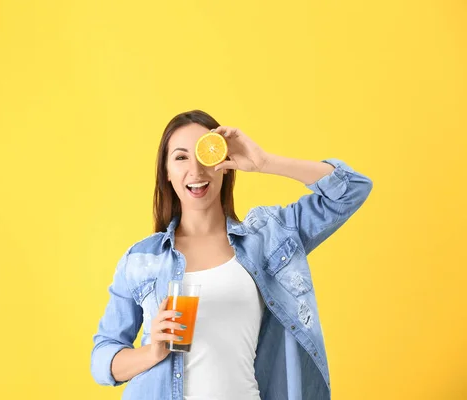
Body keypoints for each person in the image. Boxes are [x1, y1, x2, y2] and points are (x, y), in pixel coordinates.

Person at [91, 110, 373, 400]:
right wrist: (152, 352)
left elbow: (352, 189)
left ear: (224, 164)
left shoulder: (267, 239)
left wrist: (264, 162)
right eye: (181, 157)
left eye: (206, 155)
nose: (196, 170)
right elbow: (102, 360)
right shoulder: (141, 260)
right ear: (166, 172)